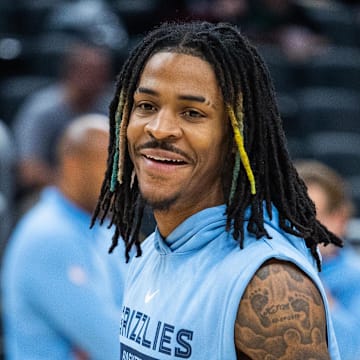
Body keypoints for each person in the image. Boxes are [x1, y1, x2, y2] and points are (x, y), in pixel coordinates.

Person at [93, 21, 341, 359]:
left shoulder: (268, 286)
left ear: (235, 138)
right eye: (147, 106)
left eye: (192, 113)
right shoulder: (149, 253)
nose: (160, 129)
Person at [1, 114, 127, 359]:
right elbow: (117, 347)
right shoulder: (48, 236)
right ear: (72, 164)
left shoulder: (107, 229)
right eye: (108, 164)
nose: (118, 179)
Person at [12, 43, 113, 211]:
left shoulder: (108, 109)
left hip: (99, 193)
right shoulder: (42, 110)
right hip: (49, 192)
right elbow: (29, 170)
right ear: (70, 72)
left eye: (100, 73)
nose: (95, 79)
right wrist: (75, 190)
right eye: (88, 72)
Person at [296, 159, 360, 359]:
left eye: (310, 218)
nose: (297, 230)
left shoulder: (355, 277)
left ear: (339, 219)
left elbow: (352, 350)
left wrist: (315, 291)